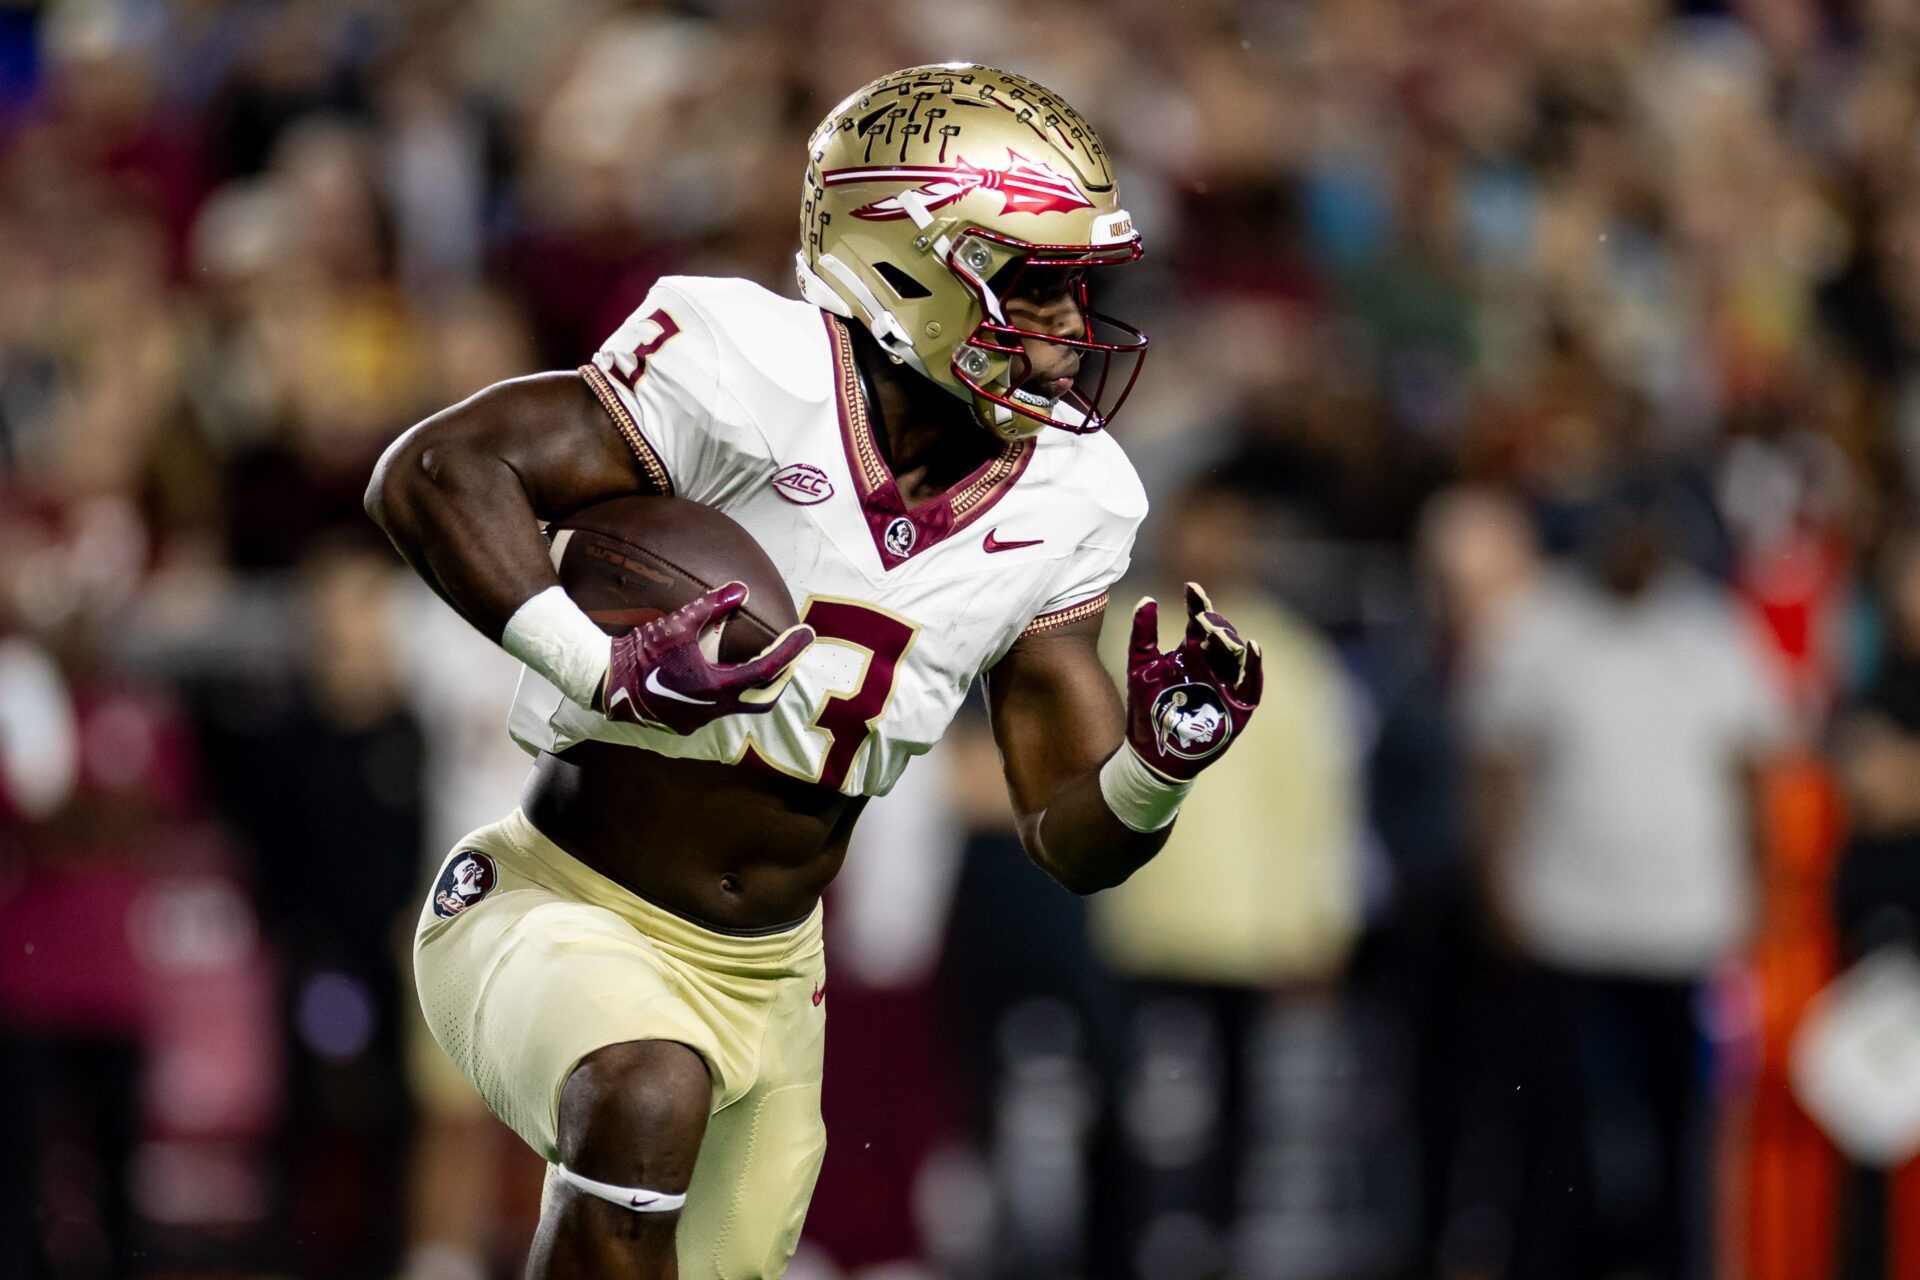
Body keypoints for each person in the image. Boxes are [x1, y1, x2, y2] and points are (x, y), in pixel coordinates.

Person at [365, 65, 1264, 1280]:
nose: (1065, 328)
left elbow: (1069, 834)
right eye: (1033, 283)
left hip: (773, 980)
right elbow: (432, 472)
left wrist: (1156, 768)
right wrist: (601, 663)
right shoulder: (747, 363)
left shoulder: (1075, 495)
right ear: (906, 262)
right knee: (643, 1085)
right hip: (557, 900)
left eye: (1076, 289)